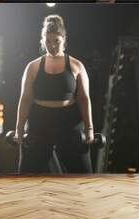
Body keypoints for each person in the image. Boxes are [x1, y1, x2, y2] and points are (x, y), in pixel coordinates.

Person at [14, 15, 94, 173]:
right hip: (40, 122)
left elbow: (84, 99)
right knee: (27, 176)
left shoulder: (77, 65)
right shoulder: (33, 67)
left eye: (56, 41)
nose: (52, 45)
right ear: (43, 41)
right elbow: (25, 99)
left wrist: (89, 128)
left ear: (64, 39)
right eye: (48, 41)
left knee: (83, 175)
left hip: (69, 122)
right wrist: (19, 129)